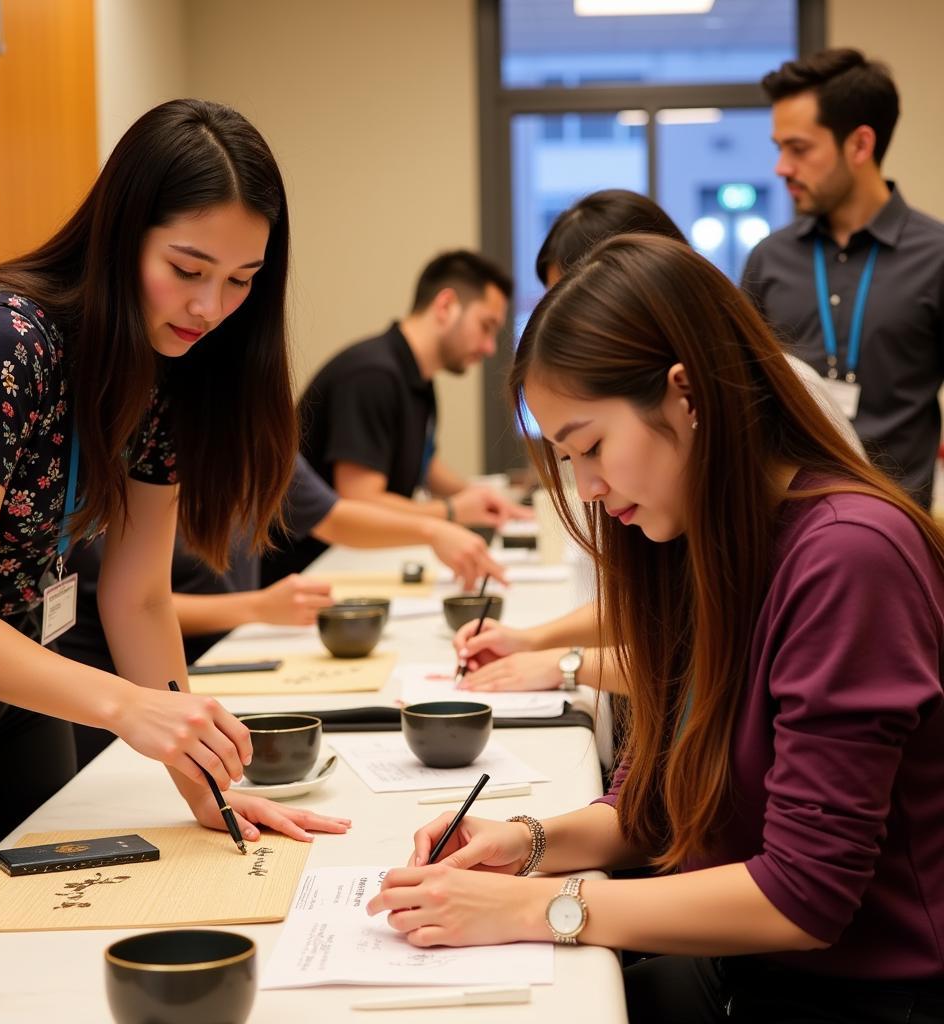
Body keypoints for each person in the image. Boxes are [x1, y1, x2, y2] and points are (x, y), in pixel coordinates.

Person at [367, 234, 944, 1023]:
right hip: (748, 968)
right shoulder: (697, 538)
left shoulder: (850, 555)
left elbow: (804, 898)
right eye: (569, 459)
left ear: (686, 395)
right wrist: (522, 843)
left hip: (867, 993)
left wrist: (538, 909)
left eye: (592, 446)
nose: (591, 487)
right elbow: (650, 806)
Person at [0, 99, 350, 912]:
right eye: (188, 271)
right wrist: (125, 705)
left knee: (44, 928)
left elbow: (138, 593)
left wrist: (205, 786)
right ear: (123, 234)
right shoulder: (3, 339)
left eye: (241, 282)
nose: (210, 308)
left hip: (18, 682)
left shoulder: (163, 370)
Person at [454, 188, 862, 695]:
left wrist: (564, 661)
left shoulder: (840, 553)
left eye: (592, 446)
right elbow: (660, 615)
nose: (586, 490)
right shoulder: (681, 511)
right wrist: (540, 642)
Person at [60, 454, 505, 768]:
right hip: (120, 683)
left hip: (215, 670)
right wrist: (256, 606)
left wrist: (432, 529)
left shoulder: (247, 422)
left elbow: (331, 515)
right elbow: (130, 602)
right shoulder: (143, 439)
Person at [742, 47, 944, 509]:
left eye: (799, 148)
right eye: (779, 149)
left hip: (899, 536)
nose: (782, 168)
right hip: (787, 534)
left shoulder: (936, 257)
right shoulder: (767, 261)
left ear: (860, 145)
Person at [274, 250, 532, 581]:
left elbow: (424, 462)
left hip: (350, 559)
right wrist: (452, 512)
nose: (489, 348)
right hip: (307, 568)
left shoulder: (415, 376)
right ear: (445, 306)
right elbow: (361, 500)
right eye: (486, 326)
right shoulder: (372, 376)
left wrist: (478, 497)